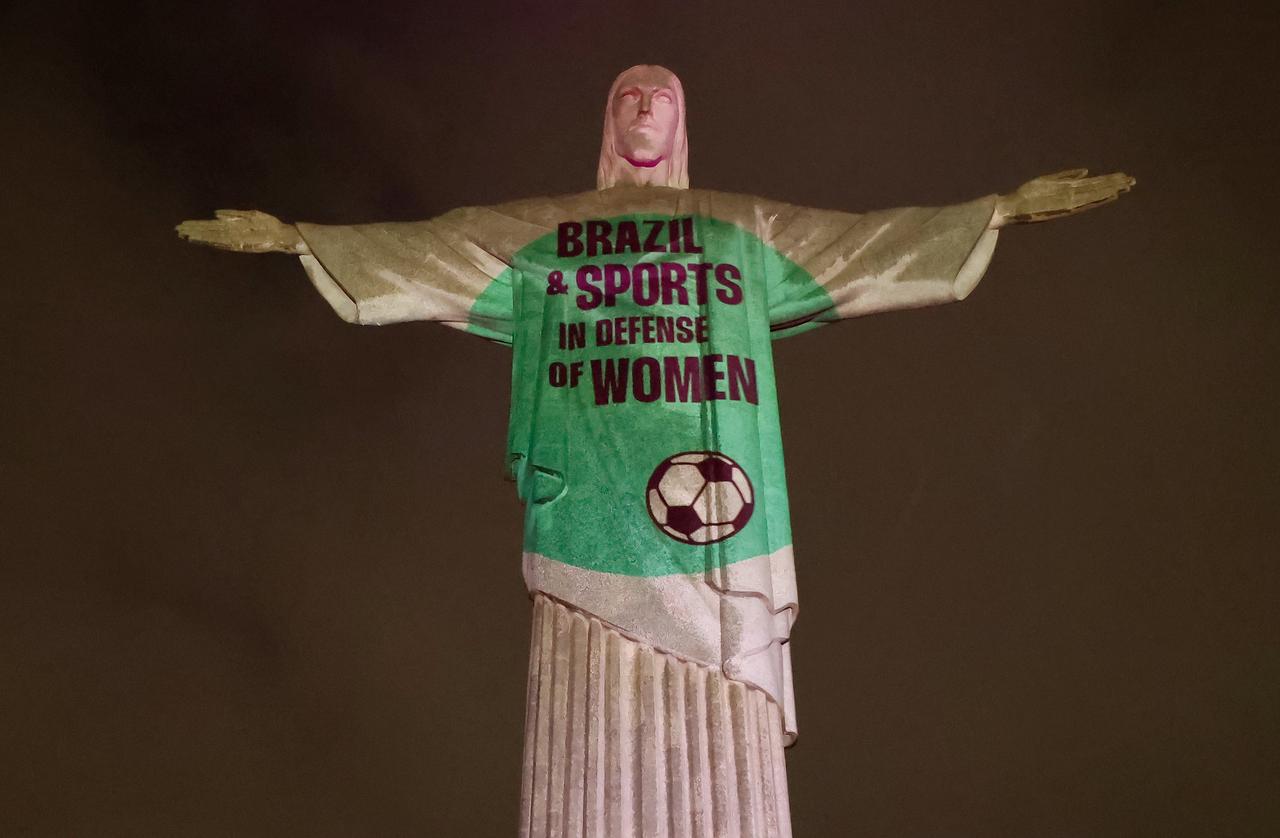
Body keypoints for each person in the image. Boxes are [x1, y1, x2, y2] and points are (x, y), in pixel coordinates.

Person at [178, 63, 1133, 838]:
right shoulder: (549, 234)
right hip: (585, 525)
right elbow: (436, 252)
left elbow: (860, 246)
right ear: (608, 119)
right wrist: (301, 240)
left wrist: (995, 211)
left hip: (721, 532)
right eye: (627, 96)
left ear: (681, 122)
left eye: (660, 97)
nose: (642, 108)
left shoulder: (740, 229)